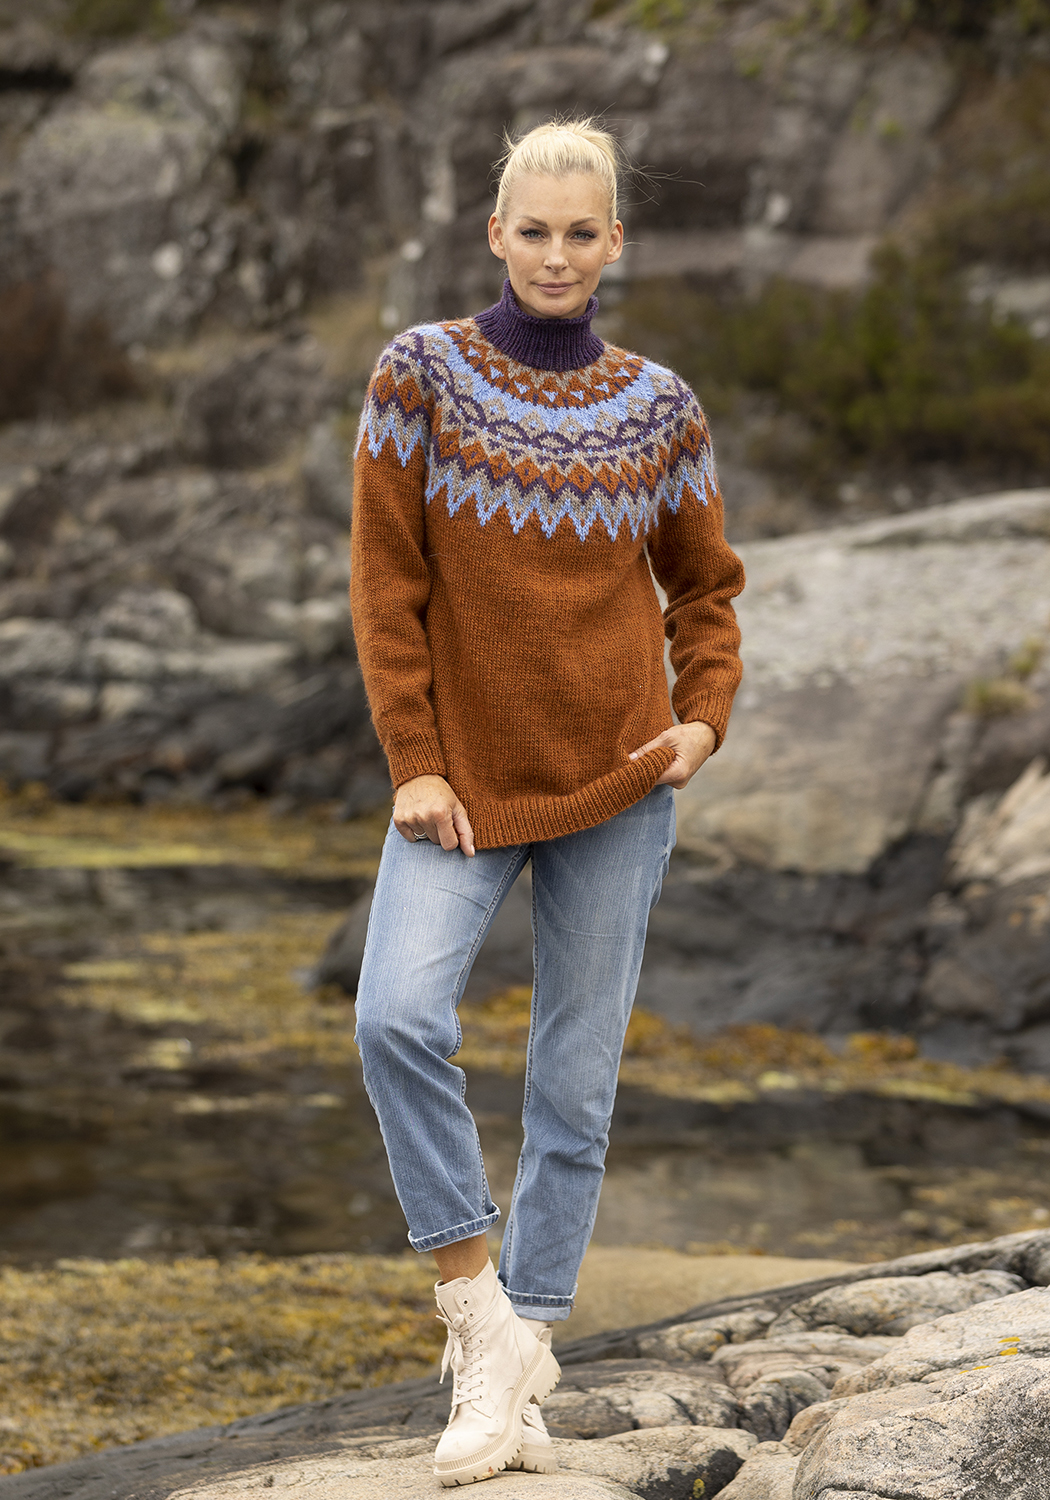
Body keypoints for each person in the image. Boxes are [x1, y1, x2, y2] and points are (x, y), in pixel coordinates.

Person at [349, 119, 745, 1487]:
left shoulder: (660, 407)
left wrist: (704, 716)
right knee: (394, 1016)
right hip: (461, 786)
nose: (558, 255)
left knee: (573, 1091)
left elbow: (705, 585)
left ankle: (518, 1377)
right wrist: (413, 758)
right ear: (496, 234)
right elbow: (385, 585)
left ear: (614, 241)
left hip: (624, 781)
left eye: (583, 233)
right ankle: (481, 1322)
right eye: (535, 231)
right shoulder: (420, 376)